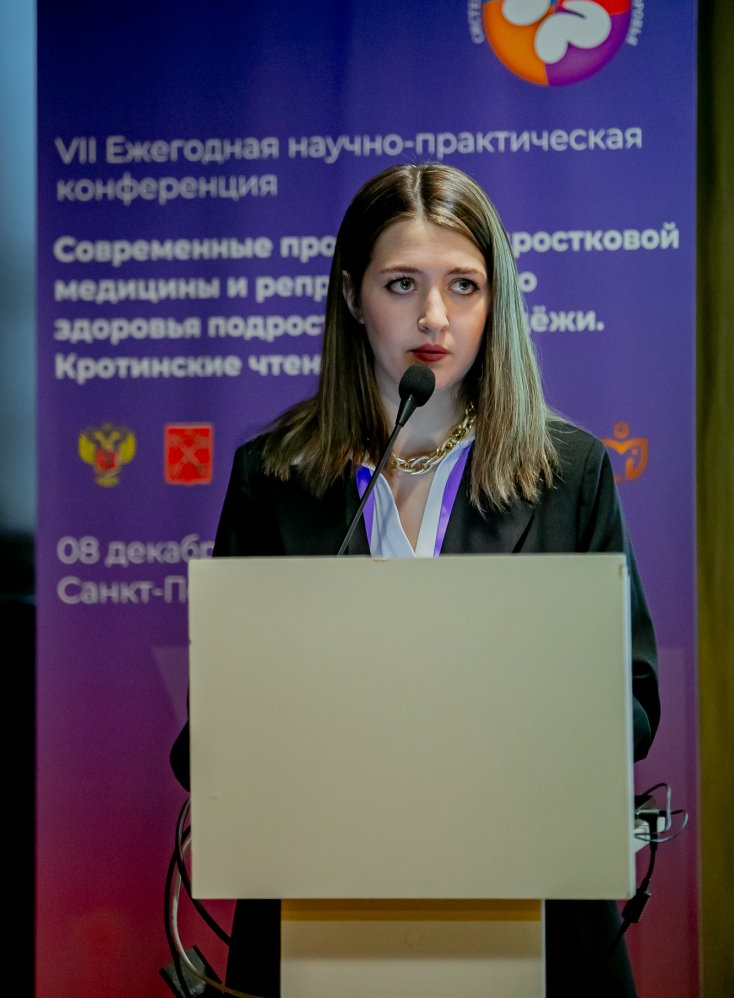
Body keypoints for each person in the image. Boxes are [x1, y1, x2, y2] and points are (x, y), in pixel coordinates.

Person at [171, 162, 660, 997]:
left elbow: (635, 698)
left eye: (464, 285)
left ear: (495, 302)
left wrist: (554, 727)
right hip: (318, 896)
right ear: (352, 297)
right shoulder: (275, 476)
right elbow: (218, 724)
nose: (435, 315)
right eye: (402, 284)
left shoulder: (569, 472)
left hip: (530, 899)